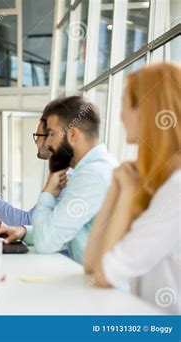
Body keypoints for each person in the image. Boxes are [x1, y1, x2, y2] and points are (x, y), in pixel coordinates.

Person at [84, 63, 180, 314]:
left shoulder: (177, 189)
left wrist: (126, 193)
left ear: (147, 111)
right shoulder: (159, 181)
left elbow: (106, 273)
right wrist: (118, 190)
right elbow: (91, 265)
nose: (120, 117)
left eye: (125, 105)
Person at [0, 96, 118, 263]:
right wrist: (25, 231)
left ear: (72, 135)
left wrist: (48, 193)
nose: (47, 142)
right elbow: (63, 229)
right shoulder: (93, 169)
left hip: (96, 284)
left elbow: (45, 242)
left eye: (51, 134)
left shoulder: (92, 176)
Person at [0, 111, 68, 229]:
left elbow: (31, 221)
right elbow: (34, 223)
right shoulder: (59, 173)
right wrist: (1, 228)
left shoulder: (67, 177)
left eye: (38, 136)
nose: (36, 142)